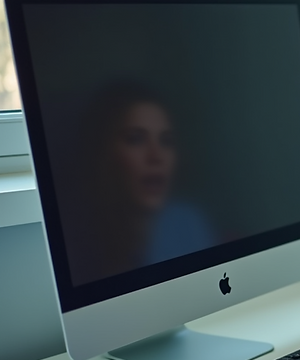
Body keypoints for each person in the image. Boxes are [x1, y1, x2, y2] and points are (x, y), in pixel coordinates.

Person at [63, 83, 216, 285]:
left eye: (166, 141)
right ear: (105, 152)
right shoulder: (77, 245)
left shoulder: (188, 221)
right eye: (136, 139)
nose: (156, 156)